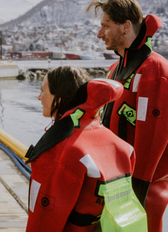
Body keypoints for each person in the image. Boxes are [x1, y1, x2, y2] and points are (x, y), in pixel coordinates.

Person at [25, 66, 145, 231]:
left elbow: (43, 221)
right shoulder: (122, 146)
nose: (39, 97)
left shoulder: (59, 152)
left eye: (43, 91)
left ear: (59, 98)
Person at [87, 0, 168, 232]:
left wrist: (137, 192)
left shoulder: (154, 69)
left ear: (126, 26)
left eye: (106, 25)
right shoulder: (115, 70)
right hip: (115, 185)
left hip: (141, 191)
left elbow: (154, 136)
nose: (100, 34)